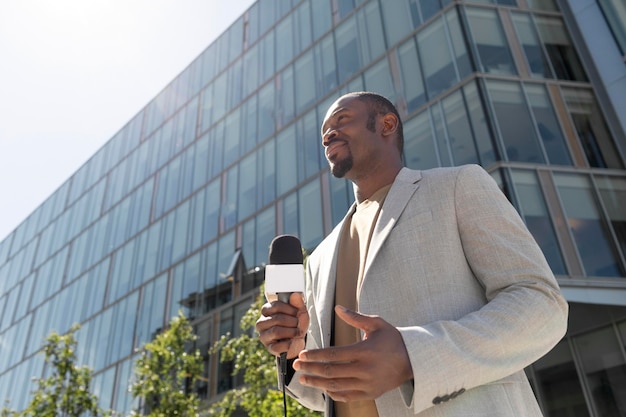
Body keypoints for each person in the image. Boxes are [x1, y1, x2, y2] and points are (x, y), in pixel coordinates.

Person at [256, 91, 568, 417]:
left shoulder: (457, 186)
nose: (328, 134)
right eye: (324, 132)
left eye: (342, 120)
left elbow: (541, 304)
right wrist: (294, 355)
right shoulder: (319, 259)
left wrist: (412, 356)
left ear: (387, 124)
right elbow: (328, 392)